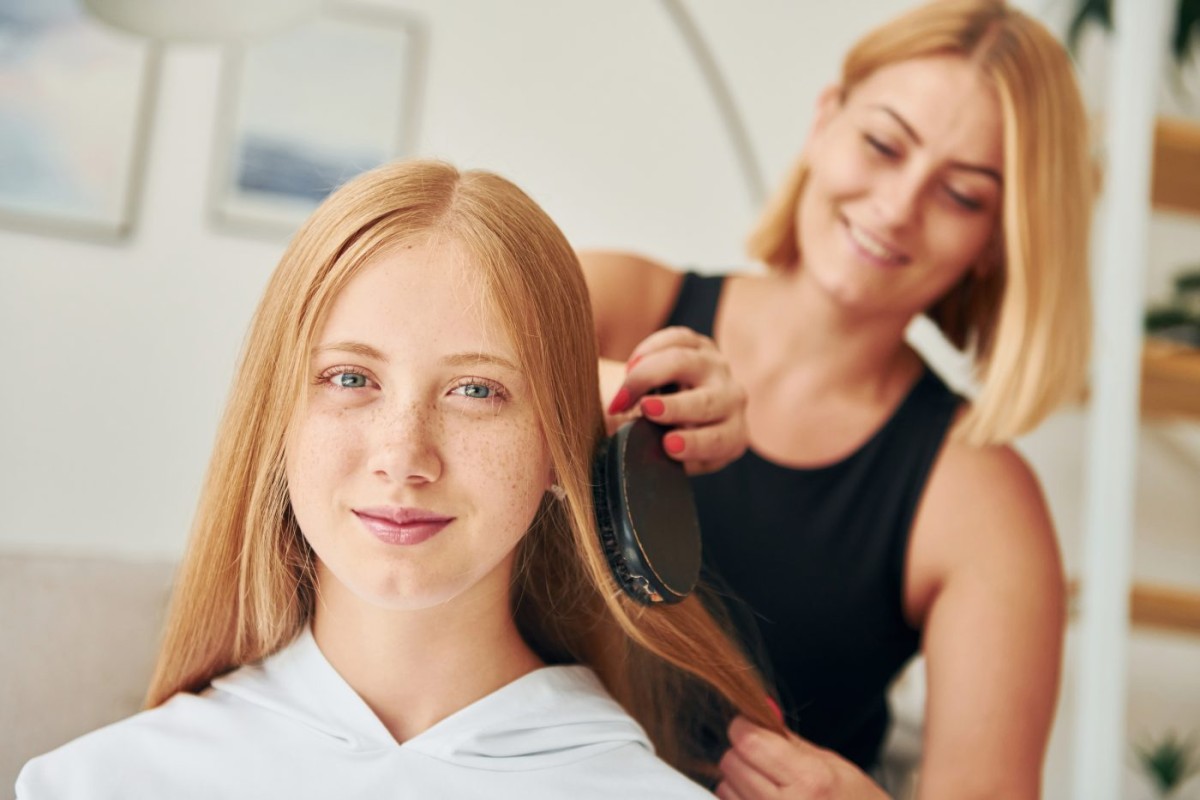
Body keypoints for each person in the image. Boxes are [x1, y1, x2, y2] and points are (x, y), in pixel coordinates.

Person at [15, 159, 784, 799]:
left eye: (477, 391)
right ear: (274, 421)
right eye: (350, 378)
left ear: (558, 444)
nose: (404, 456)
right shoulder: (92, 784)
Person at [582, 1, 1094, 797]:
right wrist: (624, 393)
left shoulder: (981, 501)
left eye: (961, 195)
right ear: (827, 119)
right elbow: (395, 377)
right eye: (883, 145)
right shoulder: (617, 303)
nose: (897, 206)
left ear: (997, 238)